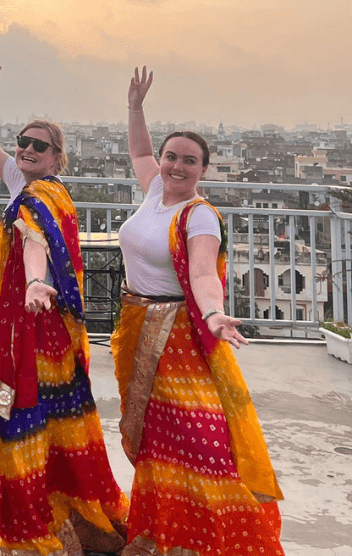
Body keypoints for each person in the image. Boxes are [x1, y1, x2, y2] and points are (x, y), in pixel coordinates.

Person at [114, 66, 284, 556]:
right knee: (158, 441)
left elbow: (205, 271)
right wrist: (134, 108)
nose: (176, 166)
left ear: (202, 170)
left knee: (199, 440)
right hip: (138, 326)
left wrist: (213, 313)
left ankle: (223, 539)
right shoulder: (153, 191)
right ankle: (161, 534)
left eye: (189, 161)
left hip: (178, 336)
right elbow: (140, 152)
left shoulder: (200, 214)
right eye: (172, 157)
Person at [0, 50, 129, 555]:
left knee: (29, 412)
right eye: (24, 142)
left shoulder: (43, 198)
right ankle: (44, 506)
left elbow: (35, 242)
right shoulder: (26, 184)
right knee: (43, 415)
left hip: (39, 324)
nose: (26, 149)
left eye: (38, 145)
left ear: (58, 157)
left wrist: (36, 283)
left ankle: (31, 520)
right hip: (28, 319)